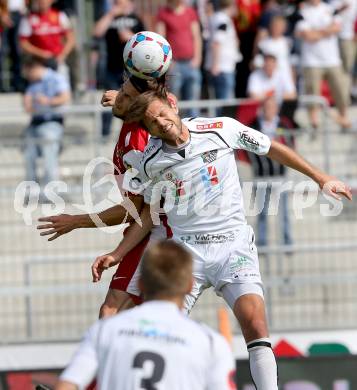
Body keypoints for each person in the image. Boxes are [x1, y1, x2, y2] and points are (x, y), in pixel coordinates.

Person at [93, 89, 352, 390]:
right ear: (147, 129)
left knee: (255, 323)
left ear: (171, 106)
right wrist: (118, 252)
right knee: (157, 331)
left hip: (232, 247)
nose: (161, 122)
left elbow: (271, 148)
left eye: (162, 113)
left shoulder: (220, 129)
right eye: (152, 122)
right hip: (187, 253)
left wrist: (320, 177)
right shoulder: (150, 161)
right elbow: (150, 213)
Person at [38, 75, 174, 317]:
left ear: (139, 106)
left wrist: (76, 221)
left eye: (125, 94)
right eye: (121, 89)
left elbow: (137, 208)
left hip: (156, 232)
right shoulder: (131, 127)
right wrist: (123, 100)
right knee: (118, 312)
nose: (115, 94)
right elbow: (169, 101)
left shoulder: (137, 143)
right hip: (146, 230)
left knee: (113, 312)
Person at [55, 240, 236, 390]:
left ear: (140, 284)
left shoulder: (105, 330)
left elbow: (67, 385)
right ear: (190, 285)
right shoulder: (210, 343)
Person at [294, 0, 351, 131]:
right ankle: (314, 123)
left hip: (332, 59)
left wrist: (317, 32)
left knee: (341, 91)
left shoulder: (330, 8)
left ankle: (343, 118)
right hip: (311, 61)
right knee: (313, 93)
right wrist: (327, 30)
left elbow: (337, 28)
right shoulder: (303, 11)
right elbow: (307, 35)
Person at [93, 0, 145, 138]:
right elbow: (97, 32)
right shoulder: (109, 17)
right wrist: (111, 14)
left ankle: (131, 133)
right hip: (112, 68)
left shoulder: (135, 19)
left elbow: (146, 42)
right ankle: (105, 134)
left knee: (133, 101)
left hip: (132, 70)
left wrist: (130, 37)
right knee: (109, 100)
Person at [247, 96, 293, 248]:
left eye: (272, 107)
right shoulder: (253, 125)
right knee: (262, 213)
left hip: (280, 176)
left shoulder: (283, 125)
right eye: (267, 107)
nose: (269, 110)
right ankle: (262, 244)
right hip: (261, 176)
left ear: (277, 109)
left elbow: (291, 145)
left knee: (284, 213)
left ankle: (287, 243)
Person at [23, 57, 71, 192]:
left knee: (49, 158)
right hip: (35, 124)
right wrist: (29, 104)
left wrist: (47, 101)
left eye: (28, 72)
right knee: (29, 157)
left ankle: (50, 193)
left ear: (35, 67)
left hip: (51, 123)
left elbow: (65, 97)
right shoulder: (33, 83)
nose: (27, 76)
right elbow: (28, 105)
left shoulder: (56, 78)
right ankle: (31, 192)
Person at [157, 0, 202, 117]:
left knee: (193, 102)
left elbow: (196, 36)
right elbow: (161, 40)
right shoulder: (163, 14)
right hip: (175, 64)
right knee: (173, 101)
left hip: (191, 63)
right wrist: (168, 61)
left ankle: (192, 129)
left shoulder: (190, 12)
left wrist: (197, 58)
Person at [19, 0, 75, 81]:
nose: (43, 2)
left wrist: (63, 55)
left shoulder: (59, 15)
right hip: (38, 62)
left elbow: (71, 38)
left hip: (58, 60)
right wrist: (42, 54)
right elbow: (23, 43)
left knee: (62, 79)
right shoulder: (29, 18)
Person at [205, 0, 242, 114]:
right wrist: (216, 65)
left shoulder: (218, 18)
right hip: (222, 68)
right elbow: (217, 42)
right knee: (224, 105)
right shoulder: (222, 19)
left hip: (222, 67)